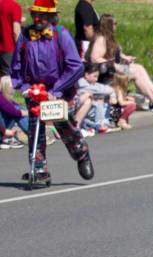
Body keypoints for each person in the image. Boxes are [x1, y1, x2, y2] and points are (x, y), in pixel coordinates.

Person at [11, 0, 93, 183]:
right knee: (35, 129)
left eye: (41, 15)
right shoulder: (25, 35)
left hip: (60, 89)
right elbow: (16, 65)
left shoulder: (61, 35)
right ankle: (39, 168)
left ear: (50, 16)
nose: (37, 18)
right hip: (34, 90)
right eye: (34, 15)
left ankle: (81, 153)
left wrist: (55, 91)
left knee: (64, 126)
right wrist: (24, 87)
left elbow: (76, 67)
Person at [89, 14, 153, 108]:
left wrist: (125, 57)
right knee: (136, 71)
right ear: (108, 24)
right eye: (115, 23)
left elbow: (115, 52)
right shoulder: (101, 39)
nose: (116, 25)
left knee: (139, 69)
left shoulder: (109, 38)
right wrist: (114, 65)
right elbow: (94, 58)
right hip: (107, 74)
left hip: (115, 69)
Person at [0, 0, 21, 76]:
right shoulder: (14, 6)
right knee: (7, 77)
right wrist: (20, 47)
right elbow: (16, 31)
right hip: (8, 47)